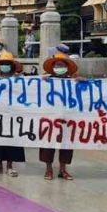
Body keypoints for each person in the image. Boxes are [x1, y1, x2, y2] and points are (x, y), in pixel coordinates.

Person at [40, 53, 79, 181]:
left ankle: (63, 170)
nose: (59, 67)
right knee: (48, 143)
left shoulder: (73, 80)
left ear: (67, 67)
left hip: (68, 118)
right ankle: (48, 169)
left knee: (66, 144)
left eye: (62, 65)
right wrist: (41, 80)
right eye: (57, 65)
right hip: (49, 118)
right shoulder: (46, 80)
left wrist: (83, 81)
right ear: (53, 67)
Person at [0, 52, 26, 177]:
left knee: (12, 140)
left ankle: (10, 166)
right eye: (2, 64)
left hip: (13, 114)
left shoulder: (19, 79)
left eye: (7, 64)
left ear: (12, 66)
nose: (5, 66)